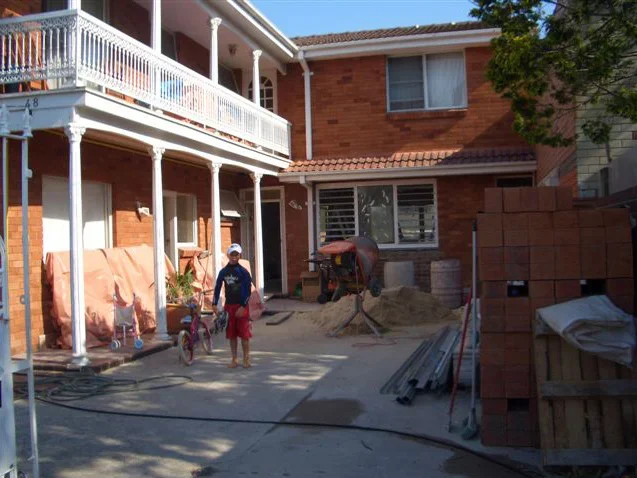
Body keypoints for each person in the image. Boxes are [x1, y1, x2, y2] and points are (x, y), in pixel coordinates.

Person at [212, 243, 253, 368]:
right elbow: (218, 287)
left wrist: (243, 305)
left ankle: (246, 359)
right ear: (228, 255)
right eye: (232, 254)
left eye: (236, 254)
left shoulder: (243, 272)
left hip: (241, 307)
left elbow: (248, 290)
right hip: (229, 307)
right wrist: (214, 304)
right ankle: (234, 359)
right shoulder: (223, 272)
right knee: (232, 334)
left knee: (244, 334)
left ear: (239, 255)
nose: (234, 257)